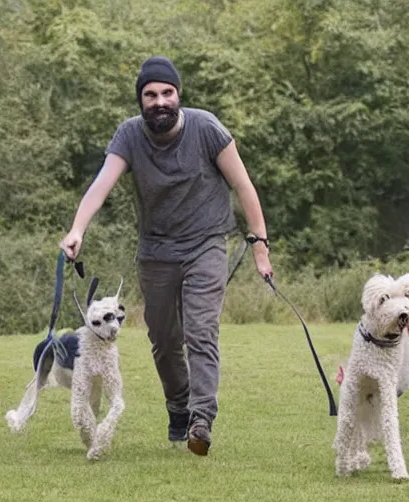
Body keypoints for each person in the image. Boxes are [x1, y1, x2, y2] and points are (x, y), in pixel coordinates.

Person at [59, 56, 273, 457]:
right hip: (156, 249)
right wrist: (77, 228)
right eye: (151, 95)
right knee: (163, 337)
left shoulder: (206, 128)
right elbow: (100, 186)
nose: (160, 101)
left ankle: (201, 417)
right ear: (141, 101)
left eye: (167, 93)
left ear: (178, 95)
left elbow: (244, 186)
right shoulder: (129, 136)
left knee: (200, 331)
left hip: (206, 243)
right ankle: (178, 406)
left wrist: (260, 246)